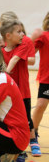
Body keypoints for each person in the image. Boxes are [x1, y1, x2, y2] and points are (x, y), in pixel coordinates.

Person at [0, 12, 41, 162]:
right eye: (18, 31)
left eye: (21, 30)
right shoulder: (0, 46)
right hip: (6, 93)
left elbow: (22, 59)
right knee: (6, 120)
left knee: (24, 120)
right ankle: (5, 151)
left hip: (21, 90)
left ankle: (28, 144)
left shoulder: (24, 43)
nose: (22, 34)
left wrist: (4, 75)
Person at [31, 12, 49, 140]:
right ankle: (33, 132)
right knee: (41, 105)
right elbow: (29, 51)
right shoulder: (44, 36)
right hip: (46, 78)